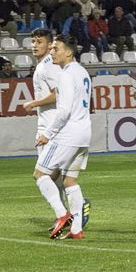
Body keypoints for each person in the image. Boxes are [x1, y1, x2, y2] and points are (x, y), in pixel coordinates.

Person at [34, 35, 93, 240]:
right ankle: (76, 229)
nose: (52, 53)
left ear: (68, 52)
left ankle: (62, 215)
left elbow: (64, 110)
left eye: (55, 49)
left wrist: (47, 134)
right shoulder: (83, 72)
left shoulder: (67, 74)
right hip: (84, 132)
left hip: (68, 133)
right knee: (70, 181)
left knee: (40, 175)